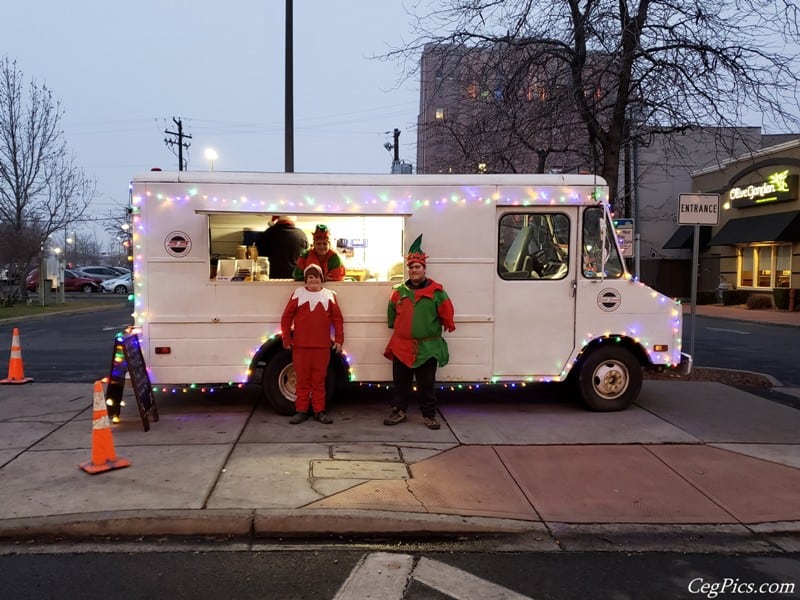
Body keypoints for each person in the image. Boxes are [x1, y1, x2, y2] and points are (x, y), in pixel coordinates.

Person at [382, 235, 455, 430]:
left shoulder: (437, 292)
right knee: (400, 384)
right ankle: (399, 411)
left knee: (427, 385)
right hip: (401, 346)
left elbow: (447, 313)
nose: (414, 270)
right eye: (411, 267)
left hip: (427, 347)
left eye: (417, 267)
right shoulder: (398, 292)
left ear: (424, 269)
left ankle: (429, 415)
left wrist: (447, 323)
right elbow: (391, 315)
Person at [280, 263, 344, 425]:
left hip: (322, 347)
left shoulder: (329, 295)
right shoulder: (297, 294)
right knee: (302, 380)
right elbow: (286, 317)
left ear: (321, 279)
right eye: (310, 277)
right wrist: (286, 338)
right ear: (305, 279)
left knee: (319, 381)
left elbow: (337, 319)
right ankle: (301, 411)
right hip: (301, 347)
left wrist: (339, 340)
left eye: (316, 276)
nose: (313, 279)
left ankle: (319, 411)